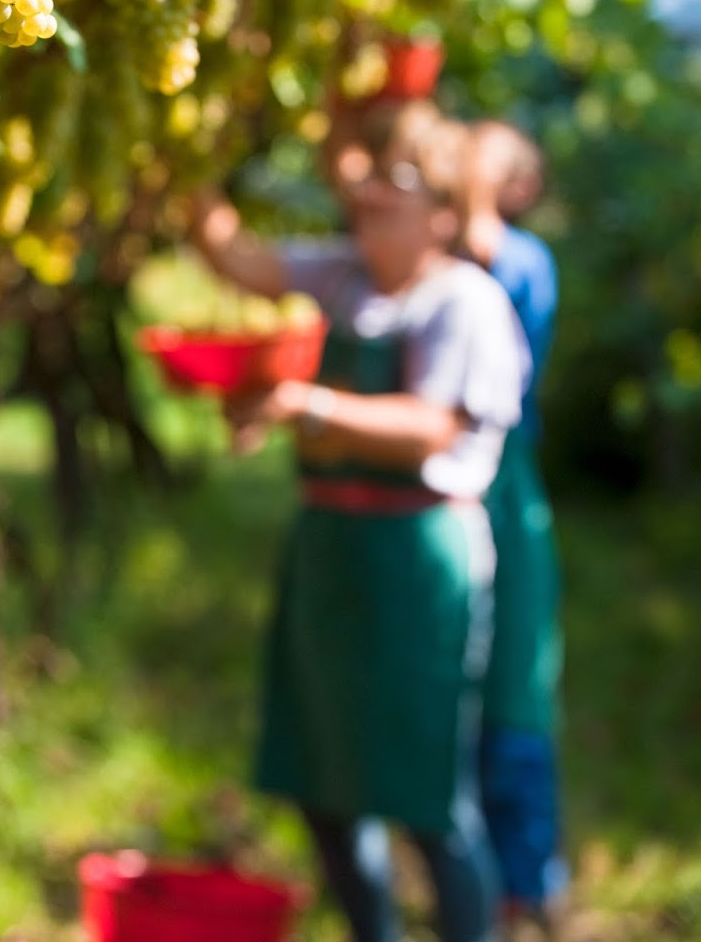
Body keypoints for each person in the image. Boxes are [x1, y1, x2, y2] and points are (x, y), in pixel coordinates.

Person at [192, 100, 528, 942]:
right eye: (372, 175)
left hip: (419, 561)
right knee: (324, 780)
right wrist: (188, 169)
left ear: (444, 212)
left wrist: (308, 406)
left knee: (427, 796)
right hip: (330, 550)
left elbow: (433, 427)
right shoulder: (341, 273)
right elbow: (244, 263)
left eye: (399, 181)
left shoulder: (465, 302)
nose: (373, 193)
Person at [456, 120, 569, 927]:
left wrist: (463, 172)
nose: (466, 160)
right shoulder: (437, 246)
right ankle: (468, 878)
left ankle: (524, 882)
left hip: (503, 485)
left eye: (490, 159)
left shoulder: (523, 258)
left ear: (520, 188)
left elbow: (481, 241)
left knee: (515, 686)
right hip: (440, 487)